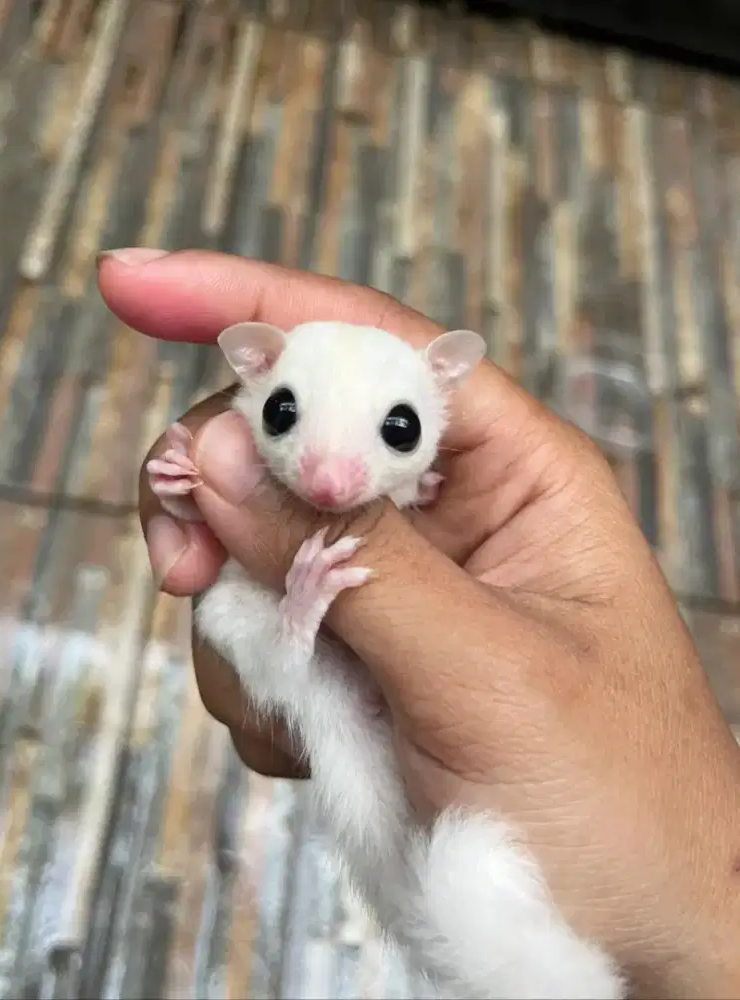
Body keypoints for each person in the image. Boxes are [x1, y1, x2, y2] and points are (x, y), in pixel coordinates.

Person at [98, 248, 740, 999]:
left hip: (365, 720)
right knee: (234, 613)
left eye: (396, 430)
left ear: (439, 404)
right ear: (254, 372)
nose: (330, 479)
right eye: (285, 414)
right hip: (304, 666)